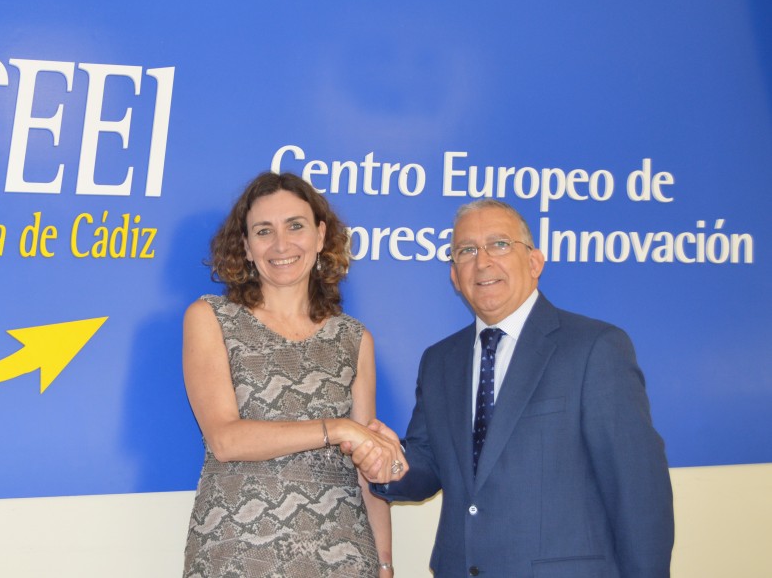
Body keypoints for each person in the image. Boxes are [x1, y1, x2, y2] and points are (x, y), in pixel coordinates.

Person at [349, 198, 674, 577]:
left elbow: (638, 492)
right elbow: (431, 464)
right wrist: (388, 464)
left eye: (499, 244)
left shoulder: (594, 348)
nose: (482, 262)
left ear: (535, 262)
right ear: (454, 275)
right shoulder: (439, 361)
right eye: (466, 250)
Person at [182, 172, 407, 577]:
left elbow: (366, 470)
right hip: (237, 556)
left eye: (295, 226)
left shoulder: (354, 338)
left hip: (343, 558)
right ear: (245, 246)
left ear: (321, 236)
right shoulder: (210, 318)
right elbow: (225, 440)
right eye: (264, 231)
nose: (281, 244)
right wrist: (337, 428)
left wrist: (386, 564)